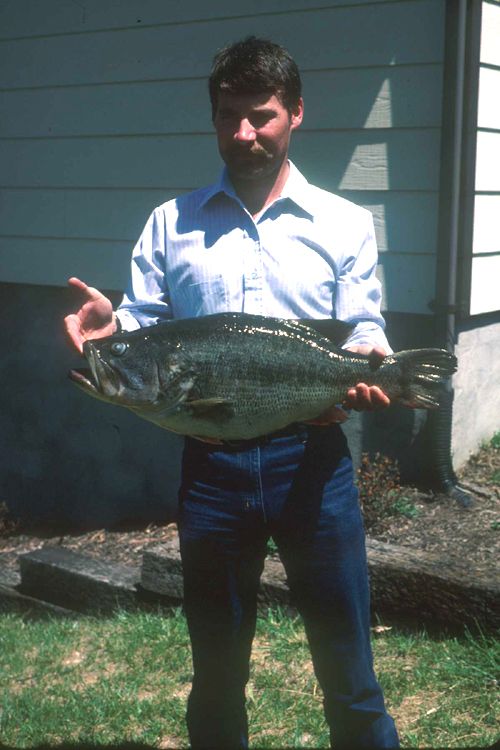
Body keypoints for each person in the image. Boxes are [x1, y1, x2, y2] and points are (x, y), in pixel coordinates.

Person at [65, 36, 399, 750]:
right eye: (228, 116)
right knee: (216, 673)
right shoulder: (171, 223)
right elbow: (150, 330)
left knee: (349, 669)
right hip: (211, 476)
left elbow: (361, 324)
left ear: (297, 114)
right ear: (214, 119)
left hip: (314, 466)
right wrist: (112, 325)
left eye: (262, 116)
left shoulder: (344, 223)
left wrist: (373, 362)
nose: (244, 133)